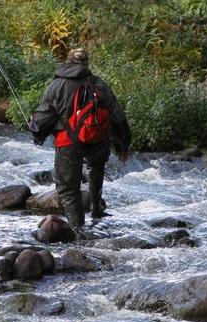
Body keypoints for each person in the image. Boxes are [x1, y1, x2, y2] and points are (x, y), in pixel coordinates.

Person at [30, 48, 131, 228]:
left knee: (68, 190)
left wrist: (36, 132)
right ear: (86, 64)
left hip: (67, 143)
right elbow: (117, 115)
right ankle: (96, 208)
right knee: (97, 168)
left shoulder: (56, 86)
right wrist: (123, 145)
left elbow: (43, 117)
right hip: (98, 139)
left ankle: (78, 230)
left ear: (67, 62)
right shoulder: (99, 84)